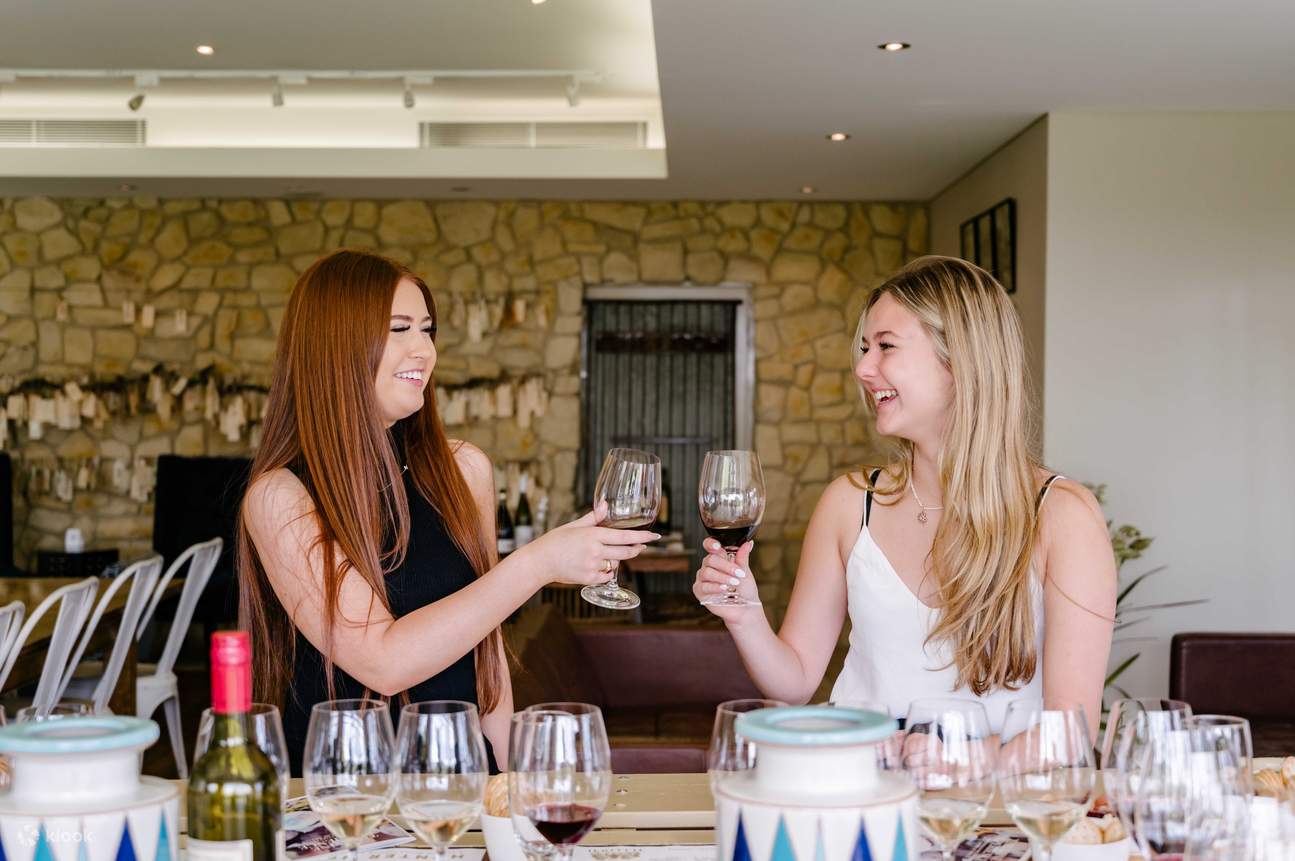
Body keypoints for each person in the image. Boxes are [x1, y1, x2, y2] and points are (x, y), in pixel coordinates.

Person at [238, 249, 657, 771]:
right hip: (348, 792)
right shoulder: (280, 497)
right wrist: (537, 563)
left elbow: (486, 651)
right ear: (335, 344)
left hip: (461, 779)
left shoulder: (462, 469)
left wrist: (509, 775)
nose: (424, 350)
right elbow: (383, 662)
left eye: (427, 330)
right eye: (399, 329)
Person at [693, 256, 1116, 736]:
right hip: (859, 776)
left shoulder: (1062, 516)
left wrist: (957, 762)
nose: (863, 368)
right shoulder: (850, 503)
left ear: (960, 360)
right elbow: (794, 684)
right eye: (864, 348)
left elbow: (1071, 732)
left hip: (992, 787)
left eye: (886, 346)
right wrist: (745, 615)